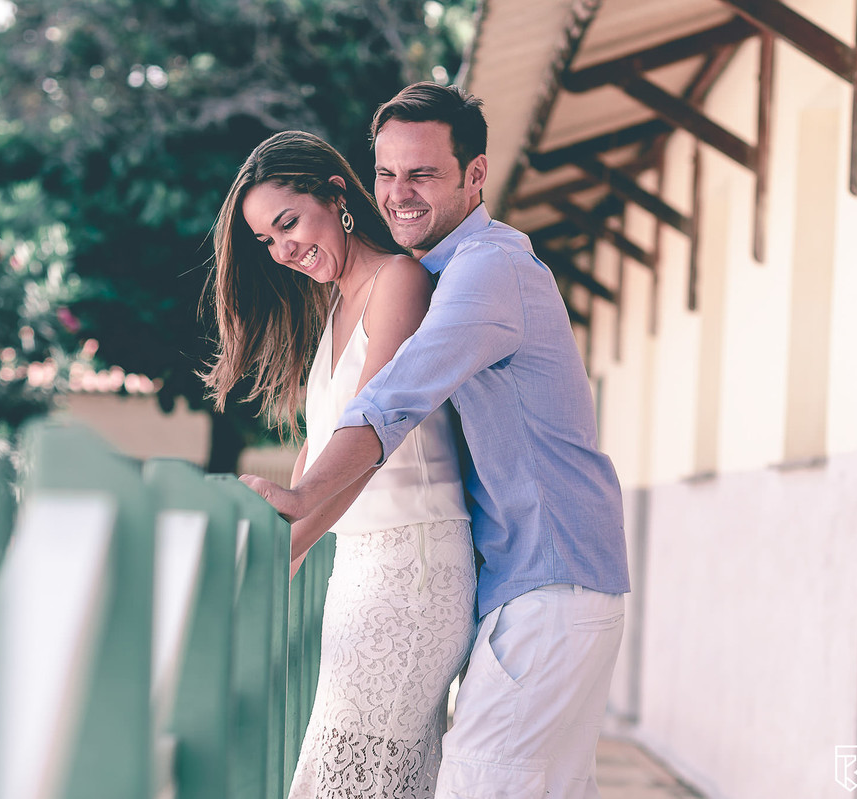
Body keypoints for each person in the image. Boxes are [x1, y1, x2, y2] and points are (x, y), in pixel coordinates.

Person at [240, 83, 631, 798]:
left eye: (422, 173)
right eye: (387, 173)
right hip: (535, 578)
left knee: (478, 785)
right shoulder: (442, 271)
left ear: (474, 175)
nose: (399, 194)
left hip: (551, 577)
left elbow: (394, 399)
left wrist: (299, 503)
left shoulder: (486, 267)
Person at [203, 130, 478, 797]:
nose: (283, 249)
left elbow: (368, 446)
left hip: (412, 568)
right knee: (380, 779)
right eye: (267, 240)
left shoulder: (399, 282)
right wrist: (274, 561)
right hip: (359, 567)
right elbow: (321, 448)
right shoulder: (336, 307)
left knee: (346, 778)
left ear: (335, 194)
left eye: (288, 223)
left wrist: (286, 541)